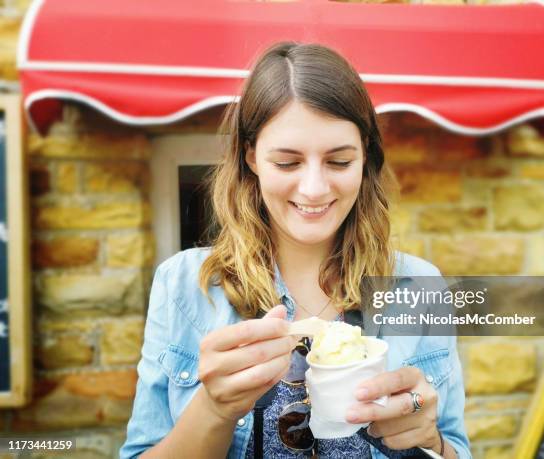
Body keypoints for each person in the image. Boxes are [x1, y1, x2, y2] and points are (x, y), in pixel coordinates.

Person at [120, 42, 471, 459]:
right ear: (251, 156)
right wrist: (214, 410)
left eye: (339, 162)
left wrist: (431, 441)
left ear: (365, 159)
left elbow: (455, 448)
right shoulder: (183, 285)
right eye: (287, 163)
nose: (314, 189)